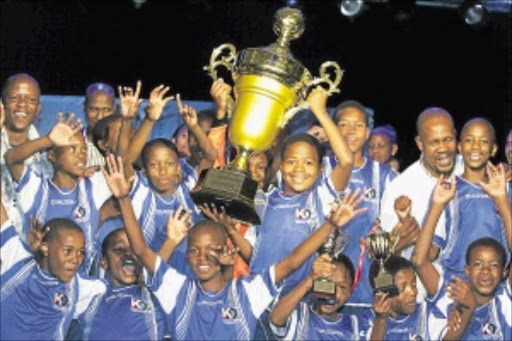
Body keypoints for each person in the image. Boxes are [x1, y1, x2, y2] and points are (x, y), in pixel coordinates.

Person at [101, 153, 366, 341]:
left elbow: (293, 261)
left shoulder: (248, 292)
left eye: (211, 250)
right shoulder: (176, 288)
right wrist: (123, 198)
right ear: (187, 254)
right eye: (194, 251)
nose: (202, 257)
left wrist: (331, 223)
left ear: (226, 250)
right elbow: (141, 249)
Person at [4, 113, 111, 274]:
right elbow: (11, 158)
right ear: (52, 156)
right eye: (72, 148)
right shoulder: (36, 187)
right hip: (40, 283)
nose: (81, 154)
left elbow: (125, 164)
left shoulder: (92, 186)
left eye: (83, 150)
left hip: (83, 285)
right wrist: (48, 140)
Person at [323, 100, 396, 306]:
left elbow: (392, 231)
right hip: (324, 282)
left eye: (358, 125)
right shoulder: (320, 169)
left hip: (366, 287)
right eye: (343, 125)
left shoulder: (383, 175)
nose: (350, 131)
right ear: (333, 130)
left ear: (367, 133)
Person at [418, 118, 511, 277]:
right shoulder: (446, 190)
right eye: (469, 140)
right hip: (457, 282)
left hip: (496, 284)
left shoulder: (506, 189)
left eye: (483, 141)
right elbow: (428, 252)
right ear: (459, 147)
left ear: (493, 149)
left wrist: (502, 199)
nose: (475, 146)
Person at [0, 206, 106, 341]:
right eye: (68, 250)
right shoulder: (18, 260)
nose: (76, 259)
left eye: (81, 252)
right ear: (45, 247)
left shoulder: (77, 286)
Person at [379, 107, 464, 260]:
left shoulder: (472, 171)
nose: (443, 149)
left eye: (448, 139)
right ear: (420, 143)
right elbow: (384, 252)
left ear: (455, 136)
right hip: (420, 282)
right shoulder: (400, 187)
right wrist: (401, 239)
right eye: (434, 142)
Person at [75, 216, 173, 340]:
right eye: (119, 250)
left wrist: (171, 241)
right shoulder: (94, 292)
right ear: (104, 262)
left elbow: (156, 272)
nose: (128, 255)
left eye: (134, 250)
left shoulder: (154, 296)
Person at [413, 231, 511, 340]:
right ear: (467, 270)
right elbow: (419, 262)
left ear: (504, 272)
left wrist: (505, 213)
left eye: (494, 265)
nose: (485, 270)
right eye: (478, 264)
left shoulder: (505, 303)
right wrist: (468, 309)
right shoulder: (454, 295)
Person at [1, 73, 53, 235]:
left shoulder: (49, 155)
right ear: (2, 104)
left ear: (38, 109)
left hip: (30, 251)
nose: (22, 105)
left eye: (30, 100)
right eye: (14, 98)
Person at [269, 254, 361, 340]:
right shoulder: (301, 314)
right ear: (315, 285)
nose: (333, 293)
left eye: (342, 287)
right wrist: (310, 279)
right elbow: (276, 318)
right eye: (328, 284)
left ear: (349, 293)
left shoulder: (353, 325)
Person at [363, 255, 435, 341]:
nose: (413, 292)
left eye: (414, 284)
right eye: (402, 288)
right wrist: (381, 320)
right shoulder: (367, 320)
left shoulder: (425, 313)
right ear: (384, 293)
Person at [82, 82, 118, 168]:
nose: (100, 117)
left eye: (106, 110)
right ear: (84, 107)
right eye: (94, 109)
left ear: (114, 109)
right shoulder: (72, 142)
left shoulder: (123, 144)